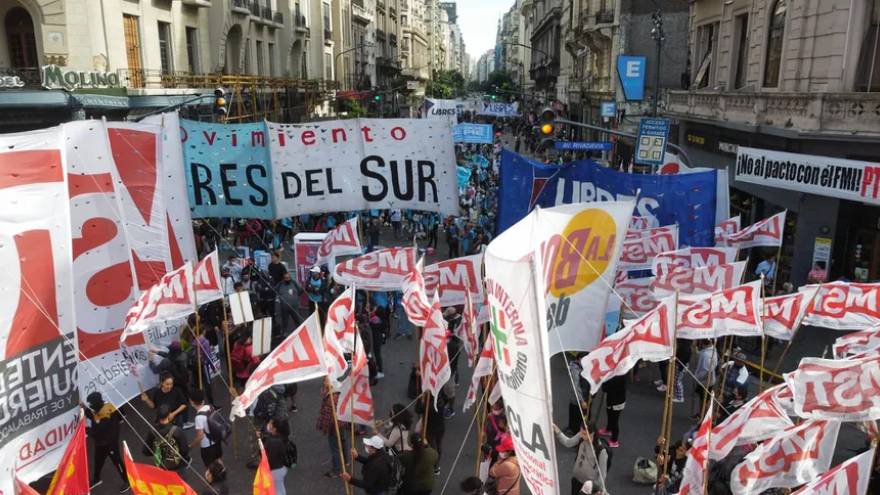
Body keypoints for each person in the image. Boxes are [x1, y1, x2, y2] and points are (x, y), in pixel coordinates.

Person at [82, 392, 129, 493]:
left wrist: (85, 430)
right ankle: (96, 479)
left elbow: (96, 431)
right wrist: (85, 409)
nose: (90, 406)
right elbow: (94, 416)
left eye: (91, 404)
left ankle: (127, 481)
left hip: (109, 443)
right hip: (102, 442)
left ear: (96, 403)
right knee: (98, 461)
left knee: (117, 462)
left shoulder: (104, 417)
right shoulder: (108, 406)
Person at [555, 424, 609, 495]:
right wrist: (556, 430)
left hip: (588, 488)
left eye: (584, 433)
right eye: (581, 432)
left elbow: (602, 476)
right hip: (576, 479)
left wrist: (596, 489)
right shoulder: (581, 435)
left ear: (592, 433)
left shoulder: (601, 451)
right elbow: (568, 443)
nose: (581, 435)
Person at [142, 405, 189, 470]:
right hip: (176, 465)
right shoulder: (176, 430)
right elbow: (184, 450)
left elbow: (145, 451)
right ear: (169, 415)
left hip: (161, 464)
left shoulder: (152, 431)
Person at [317, 380, 348, 478]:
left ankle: (336, 470)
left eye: (326, 381)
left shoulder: (330, 398)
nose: (324, 382)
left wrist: (324, 428)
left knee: (335, 448)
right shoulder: (339, 392)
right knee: (343, 442)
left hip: (334, 426)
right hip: (342, 422)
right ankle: (346, 461)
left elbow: (327, 417)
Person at [188, 389, 223, 467]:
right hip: (217, 440)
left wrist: (191, 446)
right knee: (219, 461)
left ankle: (214, 475)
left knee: (209, 467)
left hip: (207, 446)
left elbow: (200, 436)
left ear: (192, 402)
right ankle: (222, 473)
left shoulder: (199, 417)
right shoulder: (210, 407)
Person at [262, 415, 294, 495]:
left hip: (275, 470)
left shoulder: (273, 442)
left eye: (270, 423)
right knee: (280, 488)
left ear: (275, 429)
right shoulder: (282, 438)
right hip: (281, 467)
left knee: (276, 491)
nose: (268, 424)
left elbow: (268, 458)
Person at [598, 374, 626, 448]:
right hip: (612, 400)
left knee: (614, 421)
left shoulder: (618, 376)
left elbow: (605, 388)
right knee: (610, 415)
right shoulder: (616, 374)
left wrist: (603, 380)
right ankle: (608, 429)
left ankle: (614, 440)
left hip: (617, 402)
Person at [693, 340, 718, 418]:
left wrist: (697, 377)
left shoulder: (706, 355)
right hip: (706, 380)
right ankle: (701, 414)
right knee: (702, 399)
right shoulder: (711, 350)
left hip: (705, 381)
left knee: (706, 401)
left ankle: (706, 418)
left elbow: (707, 371)